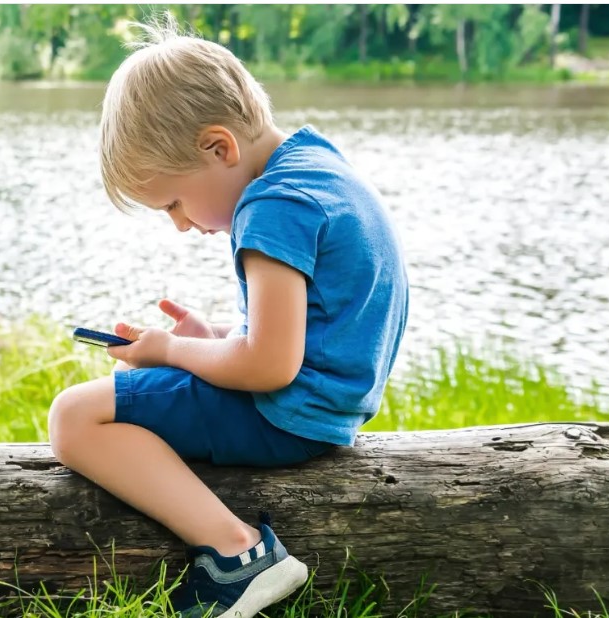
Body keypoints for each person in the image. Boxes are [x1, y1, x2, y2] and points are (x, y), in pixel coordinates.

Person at [47, 14, 409, 618]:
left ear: (219, 147)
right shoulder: (316, 168)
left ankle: (237, 553)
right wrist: (212, 337)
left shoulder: (271, 207)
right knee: (134, 384)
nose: (180, 224)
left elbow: (269, 366)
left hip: (287, 417)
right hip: (327, 407)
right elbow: (311, 329)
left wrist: (171, 349)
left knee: (74, 416)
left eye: (174, 202)